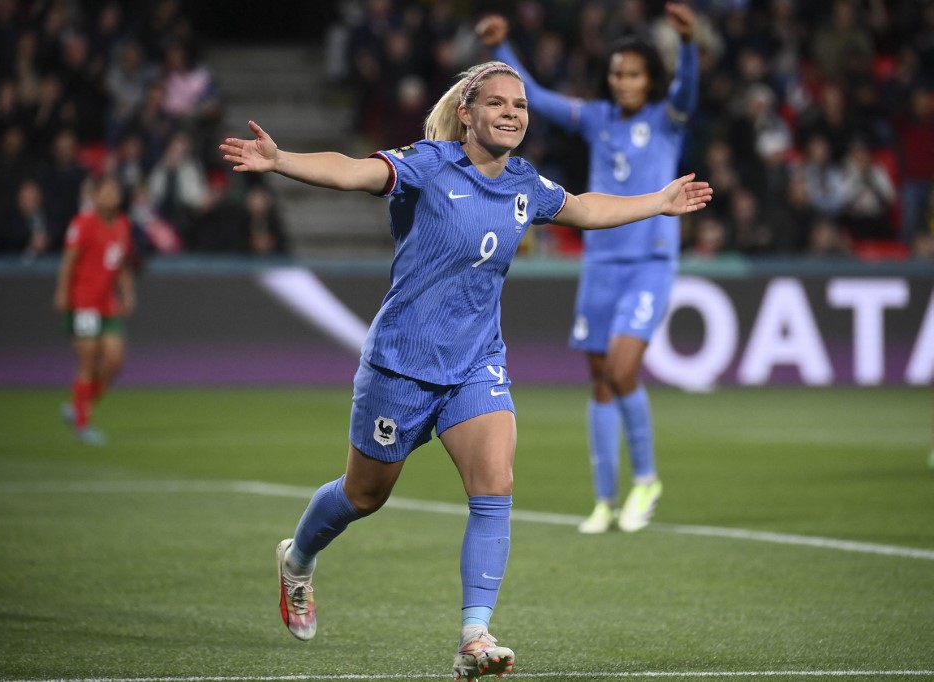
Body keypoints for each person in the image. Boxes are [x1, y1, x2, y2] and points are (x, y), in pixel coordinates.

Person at [219, 60, 711, 681]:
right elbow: (354, 170)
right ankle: (299, 559)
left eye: (522, 106)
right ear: (467, 114)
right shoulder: (427, 163)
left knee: (495, 484)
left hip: (477, 362)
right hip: (400, 365)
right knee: (363, 495)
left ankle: (473, 635)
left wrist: (659, 201)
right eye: (499, 104)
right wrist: (282, 159)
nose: (513, 114)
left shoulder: (525, 184)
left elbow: (585, 208)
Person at [478, 2, 700, 534]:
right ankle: (604, 499)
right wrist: (499, 50)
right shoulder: (597, 119)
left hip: (648, 261)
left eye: (633, 75)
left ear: (651, 80)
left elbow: (688, 91)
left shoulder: (666, 121)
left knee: (624, 370)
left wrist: (690, 46)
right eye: (617, 74)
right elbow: (540, 97)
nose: (623, 82)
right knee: (600, 380)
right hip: (601, 264)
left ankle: (645, 479)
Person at [53, 175, 135, 446]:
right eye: (107, 191)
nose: (113, 196)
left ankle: (79, 405)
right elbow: (68, 261)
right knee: (88, 362)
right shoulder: (83, 223)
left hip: (107, 303)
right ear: (96, 196)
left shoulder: (122, 224)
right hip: (84, 303)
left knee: (114, 361)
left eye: (115, 191)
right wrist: (62, 293)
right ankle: (82, 422)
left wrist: (127, 292)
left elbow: (120, 262)